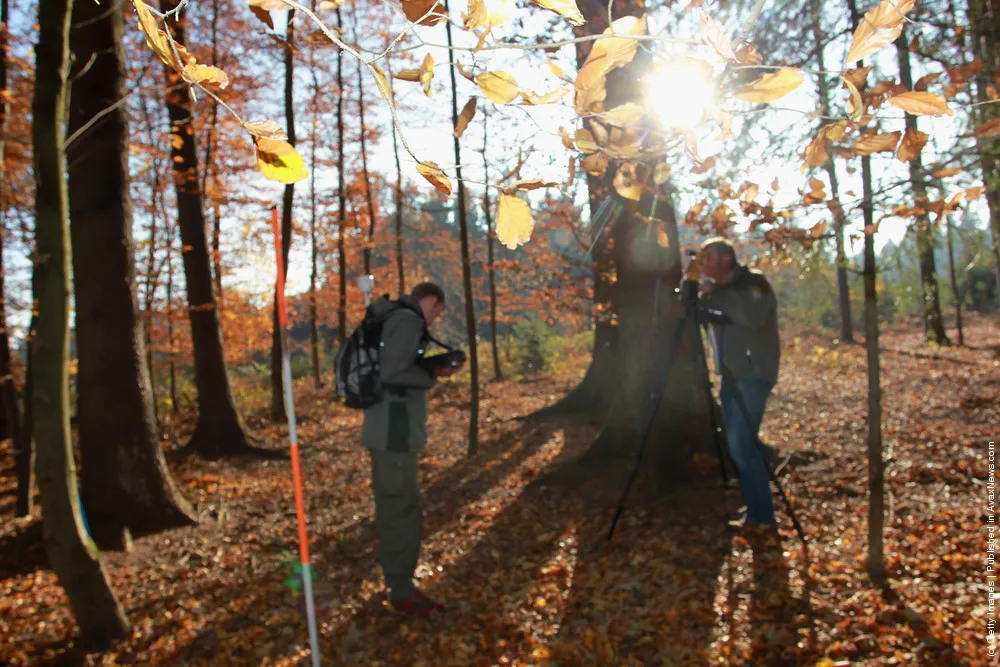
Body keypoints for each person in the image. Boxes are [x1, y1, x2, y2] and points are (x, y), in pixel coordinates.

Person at [361, 281, 457, 616]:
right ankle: (402, 591)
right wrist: (433, 374)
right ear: (429, 299)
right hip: (394, 434)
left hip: (387, 432)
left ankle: (397, 582)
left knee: (394, 508)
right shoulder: (407, 320)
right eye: (436, 311)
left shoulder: (393, 319)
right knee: (403, 511)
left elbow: (393, 367)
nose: (432, 320)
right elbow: (393, 371)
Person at [698, 238, 780, 533]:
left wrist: (715, 293)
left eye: (708, 257)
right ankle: (759, 508)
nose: (703, 263)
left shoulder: (754, 283)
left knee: (743, 444)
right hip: (731, 375)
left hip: (753, 374)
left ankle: (762, 516)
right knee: (738, 445)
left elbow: (753, 317)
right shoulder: (718, 291)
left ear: (726, 259)